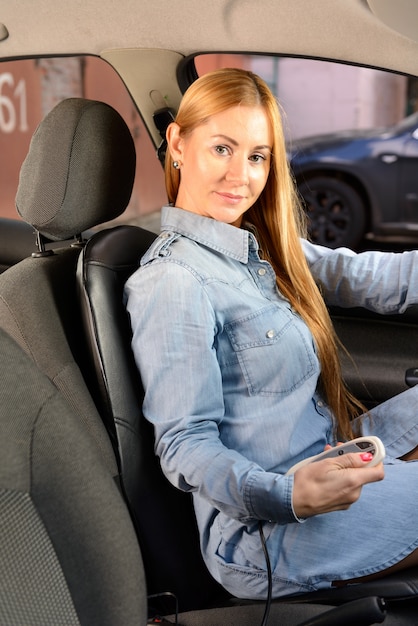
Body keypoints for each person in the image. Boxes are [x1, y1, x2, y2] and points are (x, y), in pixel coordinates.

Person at [125, 67, 418, 599]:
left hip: (330, 453)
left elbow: (367, 276)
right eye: (222, 148)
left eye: (257, 156)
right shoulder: (171, 280)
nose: (241, 175)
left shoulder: (258, 249)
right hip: (265, 532)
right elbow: (184, 443)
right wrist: (288, 496)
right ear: (178, 144)